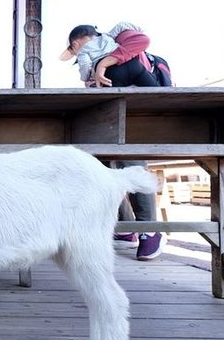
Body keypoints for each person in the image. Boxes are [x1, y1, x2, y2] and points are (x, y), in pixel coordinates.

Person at [62, 22, 167, 261]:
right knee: (104, 165)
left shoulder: (117, 40)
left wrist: (104, 63)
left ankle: (149, 230)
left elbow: (143, 40)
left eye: (77, 52)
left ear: (76, 44)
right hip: (114, 114)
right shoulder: (95, 61)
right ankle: (128, 227)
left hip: (143, 114)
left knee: (131, 163)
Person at [60, 23, 160, 88]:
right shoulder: (107, 36)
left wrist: (86, 77)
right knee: (155, 90)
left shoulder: (83, 52)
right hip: (132, 64)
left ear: (75, 45)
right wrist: (138, 28)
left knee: (113, 97)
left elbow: (85, 65)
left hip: (111, 74)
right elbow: (121, 26)